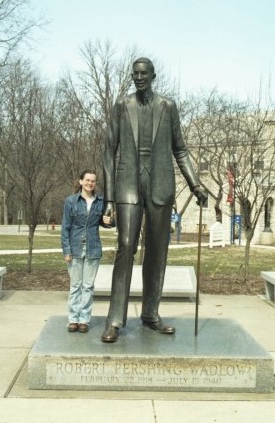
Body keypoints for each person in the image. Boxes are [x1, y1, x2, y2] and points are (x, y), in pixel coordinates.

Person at [101, 57, 207, 343]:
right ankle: (114, 319)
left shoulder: (168, 107)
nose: (139, 78)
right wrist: (108, 197)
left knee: (157, 251)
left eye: (143, 73)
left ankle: (151, 314)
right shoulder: (123, 106)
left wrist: (195, 184)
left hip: (160, 183)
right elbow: (109, 151)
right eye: (134, 74)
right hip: (128, 185)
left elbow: (180, 150)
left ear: (153, 75)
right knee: (126, 246)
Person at [61, 169, 110, 333]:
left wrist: (110, 220)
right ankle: (73, 319)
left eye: (93, 181)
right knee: (75, 286)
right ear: (81, 181)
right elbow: (65, 228)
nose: (90, 183)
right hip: (75, 248)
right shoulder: (71, 201)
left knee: (88, 286)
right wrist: (66, 250)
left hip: (93, 248)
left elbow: (106, 223)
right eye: (87, 180)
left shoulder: (100, 201)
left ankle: (84, 320)